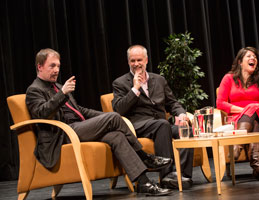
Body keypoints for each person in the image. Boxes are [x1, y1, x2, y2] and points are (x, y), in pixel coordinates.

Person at [26, 48, 173, 196]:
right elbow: (42, 113)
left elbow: (80, 110)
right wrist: (63, 93)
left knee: (116, 135)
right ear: (40, 66)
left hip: (78, 128)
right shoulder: (34, 90)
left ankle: (143, 183)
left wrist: (106, 116)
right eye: (52, 66)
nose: (56, 70)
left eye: (58, 66)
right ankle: (144, 156)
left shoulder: (57, 86)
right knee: (114, 118)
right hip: (61, 134)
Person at [112, 45, 194, 189]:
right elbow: (119, 109)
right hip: (138, 125)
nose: (136, 64)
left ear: (146, 60)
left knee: (185, 130)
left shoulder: (159, 80)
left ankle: (184, 176)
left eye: (139, 60)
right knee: (162, 124)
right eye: (132, 61)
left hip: (160, 124)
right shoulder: (120, 83)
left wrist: (181, 114)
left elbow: (172, 102)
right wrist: (135, 89)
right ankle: (166, 176)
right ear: (128, 62)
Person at [216, 46, 259, 179]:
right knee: (253, 120)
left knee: (254, 110)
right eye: (249, 56)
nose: (253, 58)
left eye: (255, 57)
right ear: (240, 62)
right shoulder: (229, 78)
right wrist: (245, 110)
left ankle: (237, 146)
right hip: (236, 117)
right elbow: (220, 103)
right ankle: (257, 165)